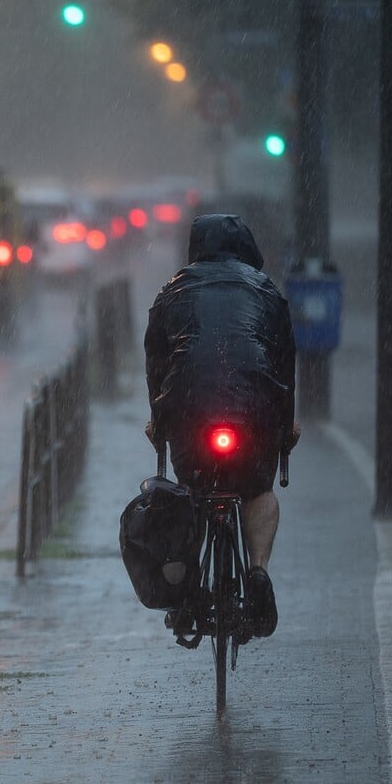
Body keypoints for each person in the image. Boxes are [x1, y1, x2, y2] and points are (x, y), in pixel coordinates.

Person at [143, 214, 301, 639]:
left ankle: (190, 588)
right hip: (255, 408)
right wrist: (286, 427)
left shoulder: (173, 291)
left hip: (190, 407)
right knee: (256, 489)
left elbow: (157, 365)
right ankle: (258, 571)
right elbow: (285, 363)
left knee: (191, 494)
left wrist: (159, 421)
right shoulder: (266, 291)